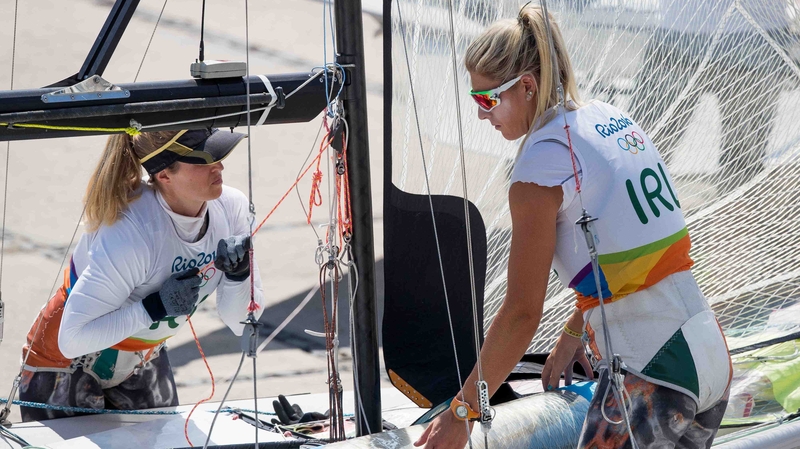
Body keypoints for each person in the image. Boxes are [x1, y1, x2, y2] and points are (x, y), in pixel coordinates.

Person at [415, 5, 731, 449]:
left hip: (651, 374)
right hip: (707, 349)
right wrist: (574, 329)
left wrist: (464, 410)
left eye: (487, 99)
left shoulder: (538, 167)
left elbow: (522, 314)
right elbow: (630, 249)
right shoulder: (607, 118)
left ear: (526, 86)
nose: (481, 114)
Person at [18, 129, 265, 421]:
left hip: (143, 354)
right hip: (66, 360)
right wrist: (155, 307)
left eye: (220, 156)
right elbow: (72, 339)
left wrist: (239, 276)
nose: (220, 166)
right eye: (204, 160)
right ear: (163, 175)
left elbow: (241, 323)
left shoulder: (231, 207)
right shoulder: (132, 232)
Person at [628, 0, 791, 193]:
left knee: (742, 161)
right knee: (644, 147)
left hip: (751, 36)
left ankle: (736, 215)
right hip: (682, 31)